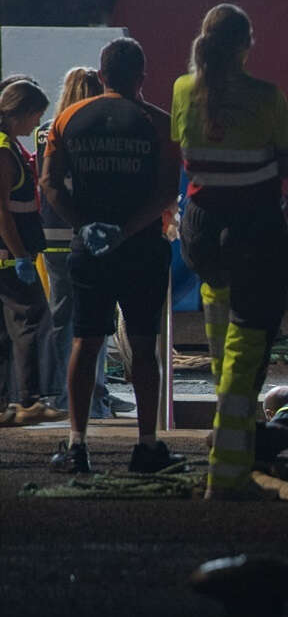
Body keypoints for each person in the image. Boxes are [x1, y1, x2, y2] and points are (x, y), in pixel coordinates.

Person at [173, 3, 288, 498]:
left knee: (223, 337)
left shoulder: (184, 90)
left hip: (202, 231)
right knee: (246, 350)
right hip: (253, 229)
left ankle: (238, 438)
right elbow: (287, 164)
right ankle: (227, 473)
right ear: (246, 45)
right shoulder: (267, 97)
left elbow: (185, 153)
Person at [40, 39, 182, 474]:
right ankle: (146, 445)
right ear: (142, 75)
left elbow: (48, 183)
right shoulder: (160, 124)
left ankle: (77, 445)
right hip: (142, 248)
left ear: (101, 76)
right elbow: (165, 192)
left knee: (85, 340)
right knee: (143, 345)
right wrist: (126, 230)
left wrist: (85, 224)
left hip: (90, 247)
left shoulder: (67, 119)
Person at [34, 67, 120, 418]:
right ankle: (94, 395)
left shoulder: (44, 131)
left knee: (60, 316)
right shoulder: (96, 129)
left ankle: (59, 392)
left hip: (51, 232)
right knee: (94, 318)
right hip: (87, 234)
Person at [0, 79, 50, 409]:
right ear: (23, 113)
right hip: (9, 258)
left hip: (11, 255)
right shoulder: (4, 151)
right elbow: (2, 210)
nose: (37, 124)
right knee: (32, 319)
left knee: (5, 334)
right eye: (36, 116)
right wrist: (20, 256)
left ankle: (6, 403)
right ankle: (29, 399)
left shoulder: (11, 146)